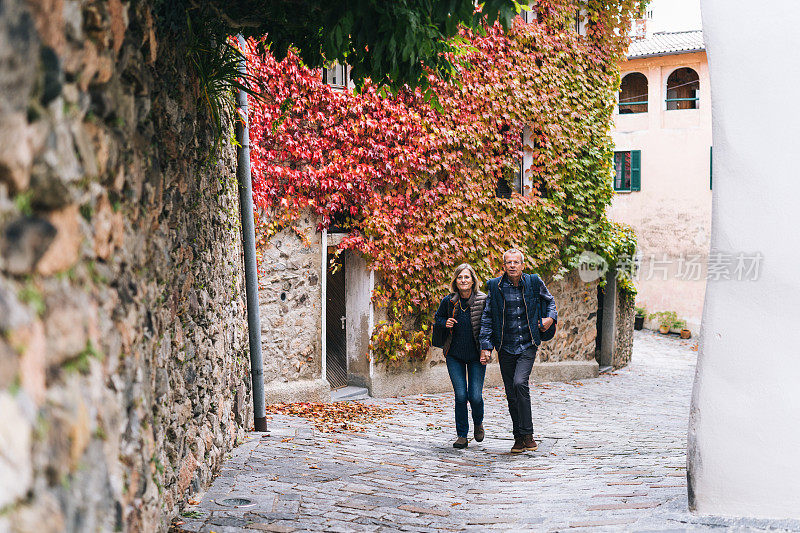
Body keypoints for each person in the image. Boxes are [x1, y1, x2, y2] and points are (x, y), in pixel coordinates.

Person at [479, 248, 557, 453]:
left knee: (519, 383)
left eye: (516, 262)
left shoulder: (533, 282)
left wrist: (550, 318)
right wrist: (486, 345)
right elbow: (487, 317)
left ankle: (528, 433)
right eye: (508, 262)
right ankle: (518, 437)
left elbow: (550, 302)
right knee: (511, 393)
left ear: (522, 265)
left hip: (527, 343)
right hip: (505, 346)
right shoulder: (495, 287)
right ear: (503, 266)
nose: (512, 266)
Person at [433, 264, 488, 449]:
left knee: (475, 396)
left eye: (466, 277)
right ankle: (462, 435)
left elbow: (489, 326)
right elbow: (438, 319)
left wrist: (487, 349)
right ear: (455, 281)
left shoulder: (483, 300)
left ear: (473, 280)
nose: (463, 280)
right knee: (460, 395)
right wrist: (444, 322)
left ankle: (478, 422)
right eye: (459, 277)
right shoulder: (449, 301)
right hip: (454, 355)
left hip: (476, 356)